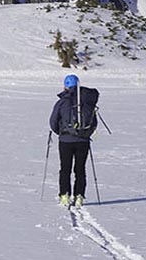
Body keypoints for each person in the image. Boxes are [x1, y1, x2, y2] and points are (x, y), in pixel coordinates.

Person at [49, 74, 99, 207]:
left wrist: (61, 132)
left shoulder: (62, 102)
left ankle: (64, 195)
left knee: (65, 169)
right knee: (80, 169)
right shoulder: (87, 101)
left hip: (65, 141)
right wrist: (86, 133)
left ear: (65, 86)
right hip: (83, 141)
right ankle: (79, 196)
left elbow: (53, 121)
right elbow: (94, 122)